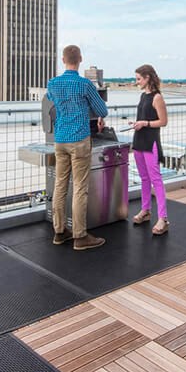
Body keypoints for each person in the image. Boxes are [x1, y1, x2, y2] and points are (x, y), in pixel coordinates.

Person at [45, 44, 108, 251]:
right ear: (80, 59)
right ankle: (80, 236)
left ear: (63, 60)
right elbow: (102, 109)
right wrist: (90, 110)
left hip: (60, 139)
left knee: (60, 185)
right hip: (79, 139)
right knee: (80, 188)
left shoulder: (52, 83)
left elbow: (55, 104)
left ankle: (60, 231)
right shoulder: (84, 84)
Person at [130, 64, 170, 236]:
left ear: (147, 78)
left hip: (151, 142)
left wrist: (144, 123)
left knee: (156, 179)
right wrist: (137, 123)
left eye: (139, 78)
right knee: (144, 178)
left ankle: (163, 218)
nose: (137, 81)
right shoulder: (142, 96)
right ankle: (145, 210)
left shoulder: (157, 97)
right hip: (139, 141)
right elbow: (143, 118)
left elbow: (163, 121)